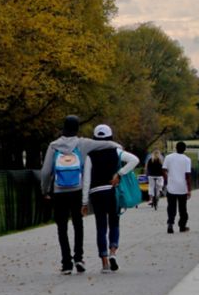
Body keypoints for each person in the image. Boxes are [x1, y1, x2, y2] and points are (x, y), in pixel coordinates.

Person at [39, 115, 119, 275]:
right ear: (77, 128)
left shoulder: (54, 146)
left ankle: (66, 263)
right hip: (77, 189)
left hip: (59, 190)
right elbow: (106, 144)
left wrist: (45, 190)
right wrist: (117, 145)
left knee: (62, 227)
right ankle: (79, 258)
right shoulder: (83, 143)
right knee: (78, 224)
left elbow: (46, 171)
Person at [81, 124, 139, 273]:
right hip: (112, 191)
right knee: (114, 222)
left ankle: (104, 262)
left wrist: (84, 202)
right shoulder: (116, 151)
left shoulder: (90, 155)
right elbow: (134, 160)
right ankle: (113, 251)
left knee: (101, 227)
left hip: (96, 192)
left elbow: (86, 179)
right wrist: (119, 173)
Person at [162, 141, 193, 233]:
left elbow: (163, 170)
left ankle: (170, 224)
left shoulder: (168, 157)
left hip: (171, 186)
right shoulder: (187, 159)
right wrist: (189, 189)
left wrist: (167, 178)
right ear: (185, 149)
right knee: (182, 208)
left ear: (176, 148)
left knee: (171, 207)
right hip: (182, 187)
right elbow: (187, 176)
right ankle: (182, 226)